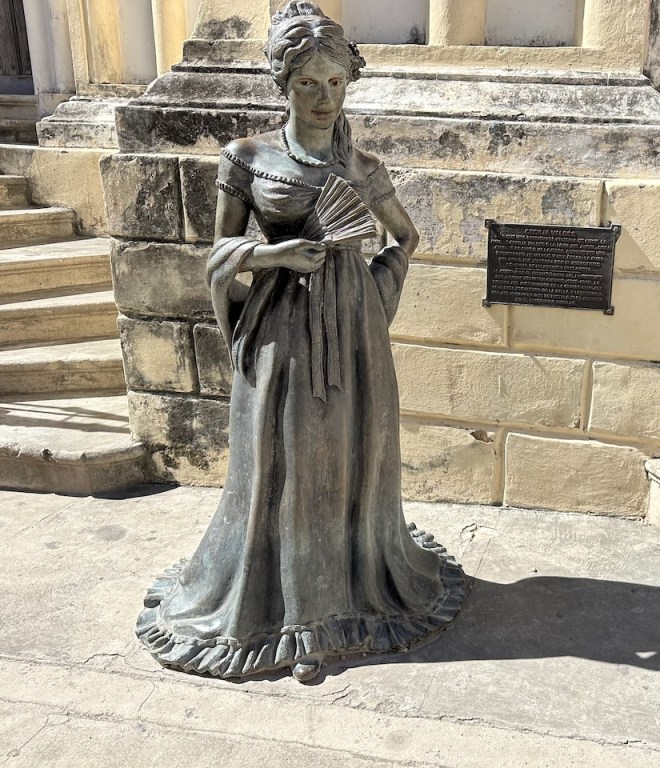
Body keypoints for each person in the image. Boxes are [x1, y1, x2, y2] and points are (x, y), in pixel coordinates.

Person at [136, 0, 464, 682]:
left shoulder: (365, 167)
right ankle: (288, 613)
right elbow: (219, 252)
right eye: (309, 82)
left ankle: (346, 596)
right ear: (283, 83)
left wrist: (374, 291)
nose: (324, 97)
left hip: (354, 336)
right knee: (285, 458)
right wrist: (276, 257)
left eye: (336, 82)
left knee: (350, 453)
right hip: (281, 331)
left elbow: (406, 237)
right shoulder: (247, 158)